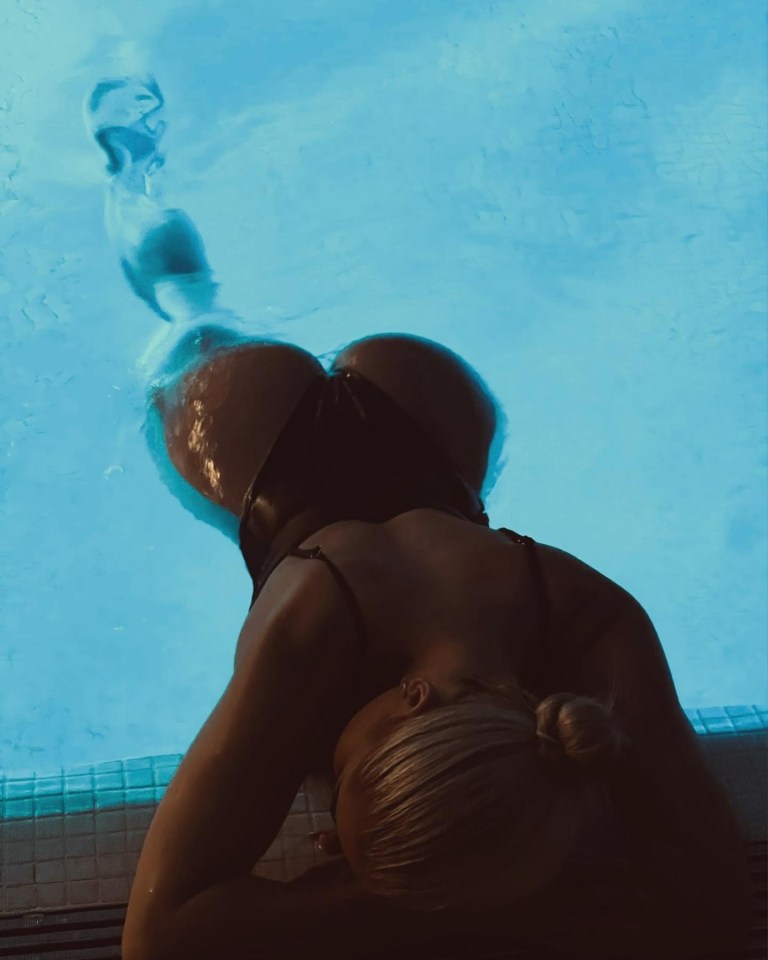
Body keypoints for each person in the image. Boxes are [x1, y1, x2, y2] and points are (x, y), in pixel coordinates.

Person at [86, 76, 752, 955]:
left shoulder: (594, 621)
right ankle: (129, 179)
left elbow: (714, 883)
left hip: (437, 413)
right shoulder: (311, 632)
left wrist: (447, 871)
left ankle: (141, 182)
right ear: (409, 702)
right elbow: (158, 938)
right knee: (180, 309)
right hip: (258, 443)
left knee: (194, 303)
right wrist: (368, 901)